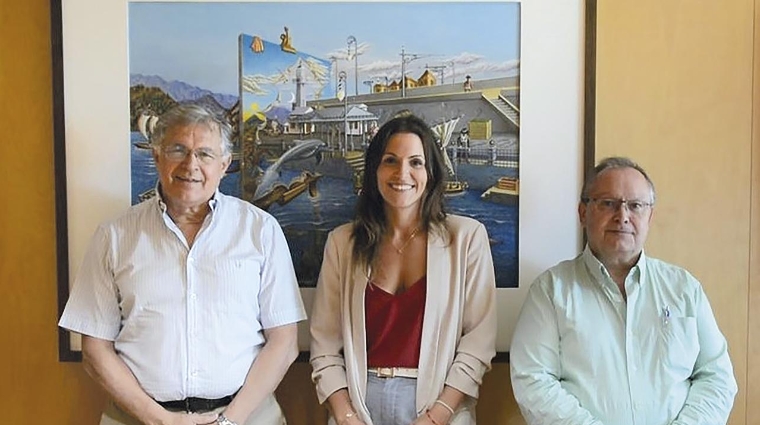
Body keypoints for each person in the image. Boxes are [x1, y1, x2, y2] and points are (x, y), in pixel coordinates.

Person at [59, 103, 306, 425]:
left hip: (247, 417)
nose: (191, 164)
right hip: (136, 417)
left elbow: (284, 342)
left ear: (224, 164)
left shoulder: (260, 230)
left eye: (205, 154)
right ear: (157, 157)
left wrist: (229, 421)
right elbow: (94, 347)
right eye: (178, 150)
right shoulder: (114, 236)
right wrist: (159, 419)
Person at [510, 157, 737, 424]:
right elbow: (533, 381)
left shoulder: (684, 288)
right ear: (583, 213)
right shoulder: (551, 291)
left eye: (636, 205)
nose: (623, 216)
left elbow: (716, 377)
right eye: (608, 203)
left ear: (650, 216)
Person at [310, 114, 497, 425]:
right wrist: (345, 416)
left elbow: (478, 343)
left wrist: (437, 416)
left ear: (432, 172)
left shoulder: (467, 238)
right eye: (390, 160)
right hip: (358, 406)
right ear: (374, 171)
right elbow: (324, 346)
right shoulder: (342, 243)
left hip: (439, 406)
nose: (402, 173)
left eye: (416, 162)